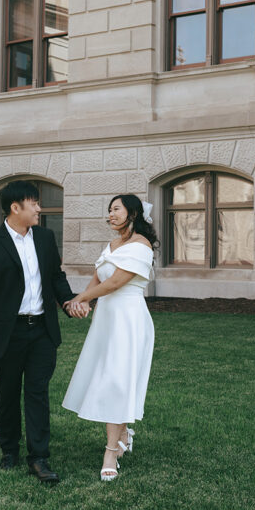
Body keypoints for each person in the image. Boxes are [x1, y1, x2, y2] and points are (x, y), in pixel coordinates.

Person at [0, 180, 80, 484]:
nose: (39, 209)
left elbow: (56, 278)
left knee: (37, 393)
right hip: (8, 334)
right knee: (6, 394)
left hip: (42, 330)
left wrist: (69, 302)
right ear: (15, 207)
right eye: (34, 204)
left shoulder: (45, 238)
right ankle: (9, 450)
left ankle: (39, 457)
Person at [62, 193, 156, 481]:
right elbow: (99, 277)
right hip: (107, 319)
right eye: (109, 210)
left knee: (117, 380)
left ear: (133, 213)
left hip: (128, 319)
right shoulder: (112, 244)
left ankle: (111, 452)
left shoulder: (142, 246)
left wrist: (79, 298)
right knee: (109, 377)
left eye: (116, 209)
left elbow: (116, 282)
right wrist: (83, 303)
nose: (110, 214)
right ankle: (124, 433)